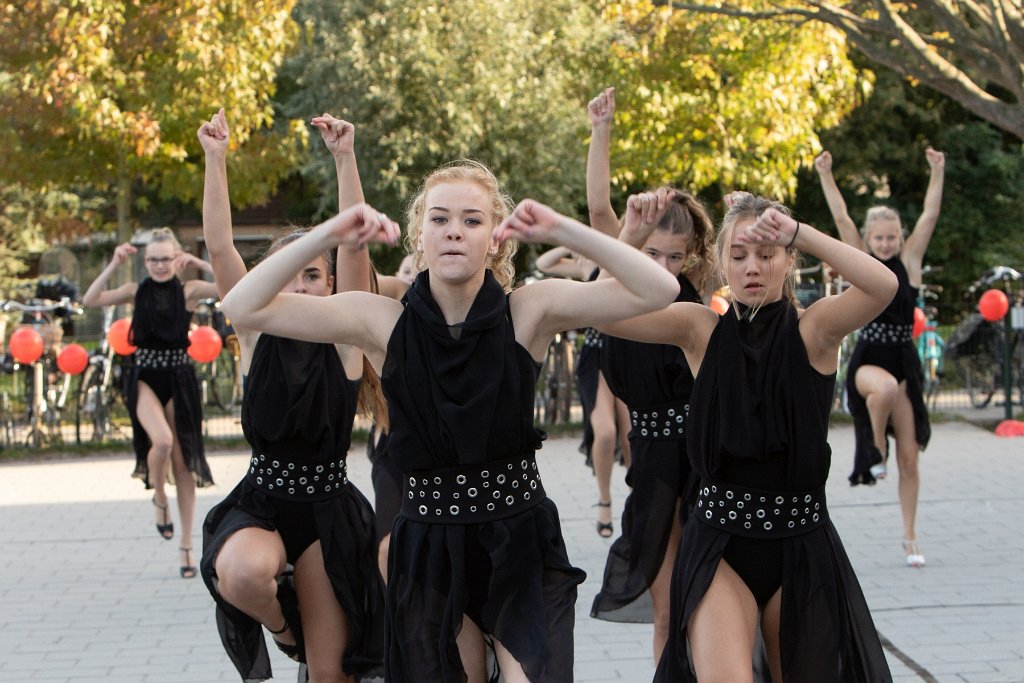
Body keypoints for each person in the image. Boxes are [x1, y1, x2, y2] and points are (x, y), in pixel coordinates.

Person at [221, 159, 680, 682]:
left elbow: (658, 290)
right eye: (439, 220)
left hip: (519, 540)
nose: (454, 232)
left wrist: (561, 229)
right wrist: (327, 233)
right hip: (430, 549)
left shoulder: (530, 310)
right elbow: (243, 307)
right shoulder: (381, 321)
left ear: (496, 239)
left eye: (471, 220)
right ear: (420, 236)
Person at [599, 193, 896, 681]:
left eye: (767, 252)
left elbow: (883, 285)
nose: (752, 267)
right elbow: (604, 313)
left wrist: (798, 230)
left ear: (788, 259)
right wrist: (629, 235)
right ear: (721, 262)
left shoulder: (816, 330)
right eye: (738, 255)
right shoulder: (700, 330)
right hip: (719, 540)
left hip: (800, 543)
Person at [196, 109, 385, 681]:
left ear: (330, 284)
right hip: (264, 501)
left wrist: (345, 158)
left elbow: (354, 247)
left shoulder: (346, 336)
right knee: (244, 575)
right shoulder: (254, 330)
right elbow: (220, 246)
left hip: (329, 514)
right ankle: (286, 631)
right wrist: (215, 158)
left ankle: (315, 648)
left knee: (334, 677)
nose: (303, 284)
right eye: (291, 273)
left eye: (314, 274)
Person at [589, 187, 714, 665]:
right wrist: (601, 128)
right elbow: (599, 209)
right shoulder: (613, 299)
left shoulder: (690, 306)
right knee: (666, 611)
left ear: (692, 256)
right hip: (653, 465)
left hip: (702, 460)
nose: (663, 267)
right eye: (650, 253)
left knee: (700, 605)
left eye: (675, 256)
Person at [815, 147, 945, 567]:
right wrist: (826, 174)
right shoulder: (862, 260)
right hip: (869, 359)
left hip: (905, 359)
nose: (886, 244)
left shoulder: (909, 261)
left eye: (891, 237)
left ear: (900, 239)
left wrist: (937, 172)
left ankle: (910, 536)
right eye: (879, 238)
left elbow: (929, 216)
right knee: (883, 389)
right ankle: (874, 448)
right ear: (869, 241)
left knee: (911, 457)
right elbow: (841, 219)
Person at [82, 228, 218, 578]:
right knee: (162, 441)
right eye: (153, 259)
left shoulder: (188, 291)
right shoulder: (135, 291)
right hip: (144, 377)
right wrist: (114, 263)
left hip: (179, 378)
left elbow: (235, 287)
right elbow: (91, 299)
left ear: (177, 258)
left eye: (166, 258)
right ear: (145, 261)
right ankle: (159, 496)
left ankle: (186, 545)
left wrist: (202, 262)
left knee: (183, 462)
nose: (160, 265)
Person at [534, 245, 631, 538]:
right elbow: (544, 262)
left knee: (632, 438)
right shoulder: (589, 260)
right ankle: (604, 501)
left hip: (631, 351)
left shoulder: (628, 254)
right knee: (605, 432)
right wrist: (573, 241)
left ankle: (640, 504)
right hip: (596, 355)